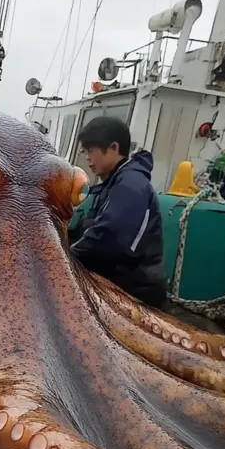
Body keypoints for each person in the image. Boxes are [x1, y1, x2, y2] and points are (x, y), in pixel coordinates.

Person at [69, 115, 167, 307]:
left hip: (135, 290)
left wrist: (69, 254)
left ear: (114, 147)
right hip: (120, 280)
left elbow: (111, 236)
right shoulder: (115, 182)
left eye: (91, 150)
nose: (88, 157)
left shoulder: (131, 183)